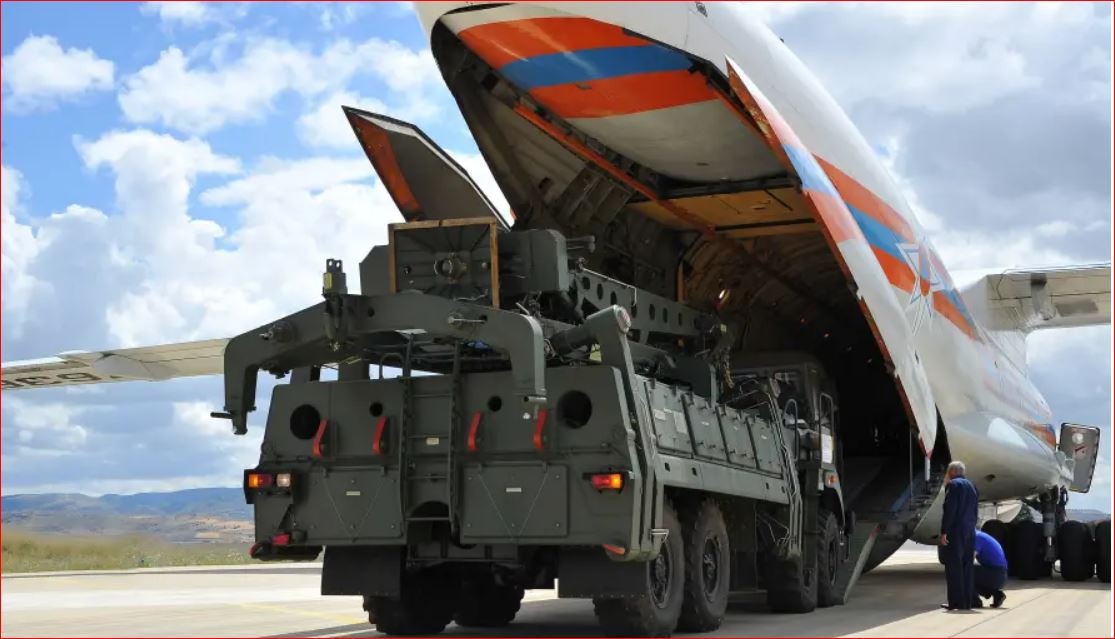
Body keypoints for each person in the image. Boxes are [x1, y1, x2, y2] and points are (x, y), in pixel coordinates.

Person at [939, 460, 979, 611]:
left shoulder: (953, 485)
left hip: (956, 531)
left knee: (953, 566)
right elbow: (975, 510)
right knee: (967, 566)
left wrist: (944, 531)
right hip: (970, 530)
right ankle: (967, 602)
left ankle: (955, 602)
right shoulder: (972, 486)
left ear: (952, 472)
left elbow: (950, 509)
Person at [972, 530, 1008, 608]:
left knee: (965, 572)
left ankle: (974, 601)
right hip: (1000, 573)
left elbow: (970, 559)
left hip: (996, 573)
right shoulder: (979, 535)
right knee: (972, 572)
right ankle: (997, 594)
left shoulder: (975, 538)